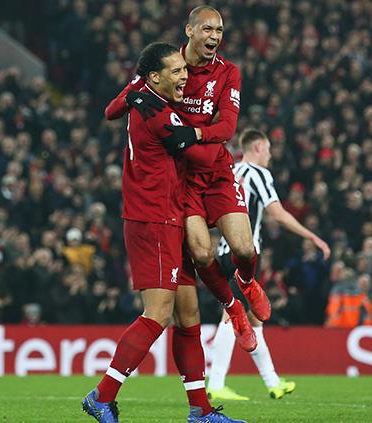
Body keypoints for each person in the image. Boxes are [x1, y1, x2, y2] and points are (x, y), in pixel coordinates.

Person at [81, 42, 244, 423]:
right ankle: (101, 396)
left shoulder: (148, 99)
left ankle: (200, 411)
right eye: (176, 72)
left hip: (168, 216)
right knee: (157, 314)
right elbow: (202, 156)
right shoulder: (158, 113)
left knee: (189, 317)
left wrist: (135, 96)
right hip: (154, 220)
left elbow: (113, 108)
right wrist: (213, 135)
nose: (185, 76)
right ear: (154, 77)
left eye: (185, 71)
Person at [105, 6, 267, 353]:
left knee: (242, 248)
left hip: (217, 170)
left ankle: (247, 281)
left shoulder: (228, 72)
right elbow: (112, 111)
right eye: (207, 29)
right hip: (185, 178)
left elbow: (227, 129)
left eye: (220, 31)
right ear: (189, 31)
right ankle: (233, 308)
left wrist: (190, 134)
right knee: (201, 251)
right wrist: (133, 93)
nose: (214, 37)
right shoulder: (166, 65)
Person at [208, 129, 330, 400]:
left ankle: (272, 382)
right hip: (245, 253)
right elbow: (278, 214)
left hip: (224, 251)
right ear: (258, 147)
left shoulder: (231, 170)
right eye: (269, 149)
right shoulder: (259, 174)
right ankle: (215, 384)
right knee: (232, 315)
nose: (271, 154)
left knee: (254, 320)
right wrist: (313, 236)